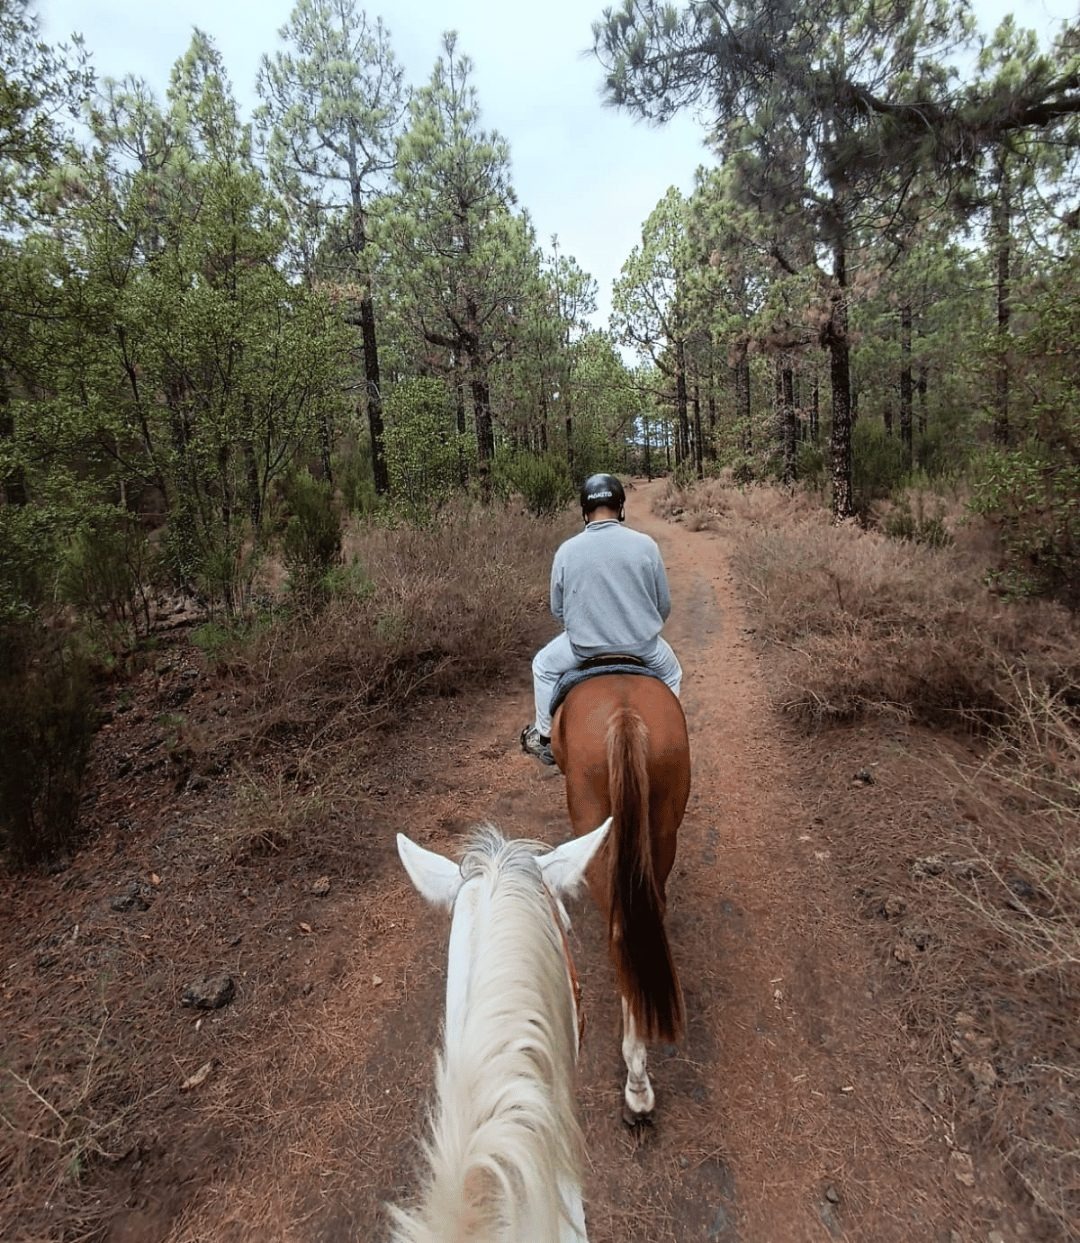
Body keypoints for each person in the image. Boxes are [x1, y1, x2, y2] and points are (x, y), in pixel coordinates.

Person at [520, 472, 683, 766]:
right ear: (620, 506)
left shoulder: (567, 550)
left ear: (585, 510)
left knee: (543, 666)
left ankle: (544, 736)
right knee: (672, 674)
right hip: (643, 647)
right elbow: (664, 605)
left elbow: (558, 610)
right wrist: (640, 627)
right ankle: (670, 738)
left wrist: (586, 624)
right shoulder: (646, 545)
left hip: (584, 647)